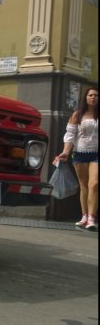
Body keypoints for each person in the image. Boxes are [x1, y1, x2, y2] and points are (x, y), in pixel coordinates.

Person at [56, 86, 98, 231]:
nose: (93, 97)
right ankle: (84, 216)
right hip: (79, 153)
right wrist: (65, 152)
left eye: (96, 95)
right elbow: (70, 135)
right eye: (90, 95)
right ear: (86, 98)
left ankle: (92, 218)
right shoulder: (77, 115)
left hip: (96, 154)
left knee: (94, 184)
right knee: (84, 185)